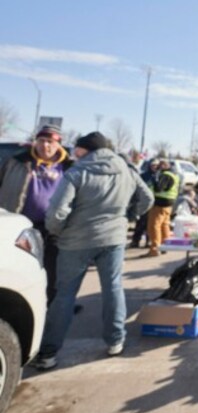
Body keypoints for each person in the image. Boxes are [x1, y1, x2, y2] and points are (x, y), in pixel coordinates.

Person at [33, 132, 153, 370]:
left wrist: (56, 231)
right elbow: (147, 197)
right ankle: (116, 341)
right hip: (114, 239)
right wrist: (130, 216)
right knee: (113, 288)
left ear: (86, 150)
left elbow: (57, 211)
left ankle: (48, 353)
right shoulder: (126, 170)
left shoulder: (77, 172)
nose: (74, 152)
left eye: (77, 149)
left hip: (75, 242)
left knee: (65, 295)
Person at [0, 124, 73, 305]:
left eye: (50, 142)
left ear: (59, 145)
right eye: (41, 140)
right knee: (17, 268)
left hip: (54, 228)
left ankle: (49, 307)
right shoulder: (17, 161)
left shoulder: (69, 168)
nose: (45, 145)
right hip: (22, 225)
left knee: (51, 270)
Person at [145, 160, 179, 257]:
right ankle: (165, 246)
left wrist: (155, 179)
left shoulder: (165, 175)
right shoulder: (174, 175)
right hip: (168, 204)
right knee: (164, 225)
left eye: (160, 165)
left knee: (154, 226)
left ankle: (155, 249)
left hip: (160, 204)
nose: (158, 167)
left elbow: (159, 188)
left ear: (165, 166)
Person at [130, 158, 159, 248]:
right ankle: (135, 241)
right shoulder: (144, 176)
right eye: (153, 165)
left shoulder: (159, 176)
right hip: (144, 202)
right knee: (140, 223)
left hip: (155, 203)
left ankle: (148, 241)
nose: (154, 167)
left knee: (151, 224)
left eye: (156, 166)